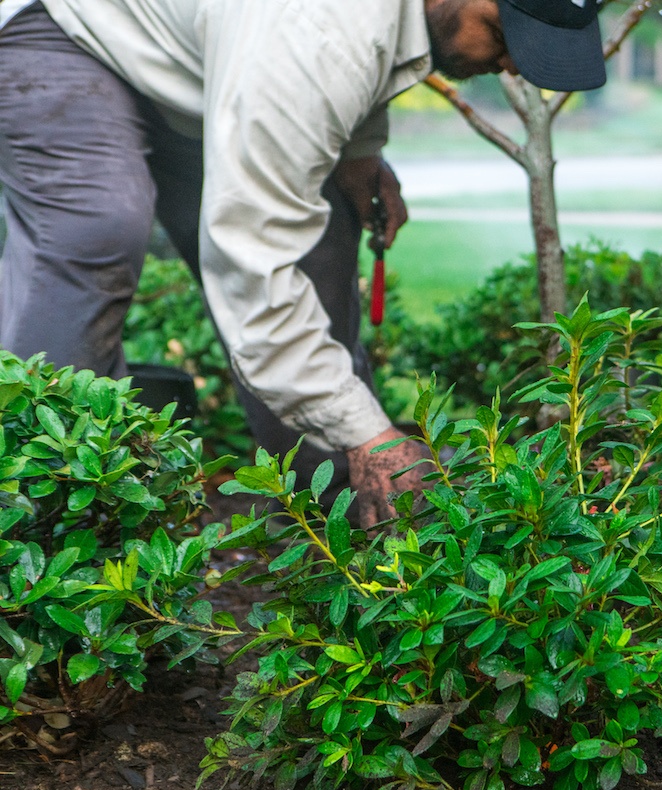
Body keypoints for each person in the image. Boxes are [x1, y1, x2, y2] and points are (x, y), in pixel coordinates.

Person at [0, 0, 605, 522]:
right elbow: (252, 262)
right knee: (96, 226)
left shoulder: (336, 38)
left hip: (199, 53)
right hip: (70, 27)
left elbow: (368, 58)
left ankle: (340, 510)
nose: (511, 64)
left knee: (323, 226)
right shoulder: (316, 35)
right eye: (502, 35)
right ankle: (39, 522)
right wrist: (367, 430)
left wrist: (359, 153)